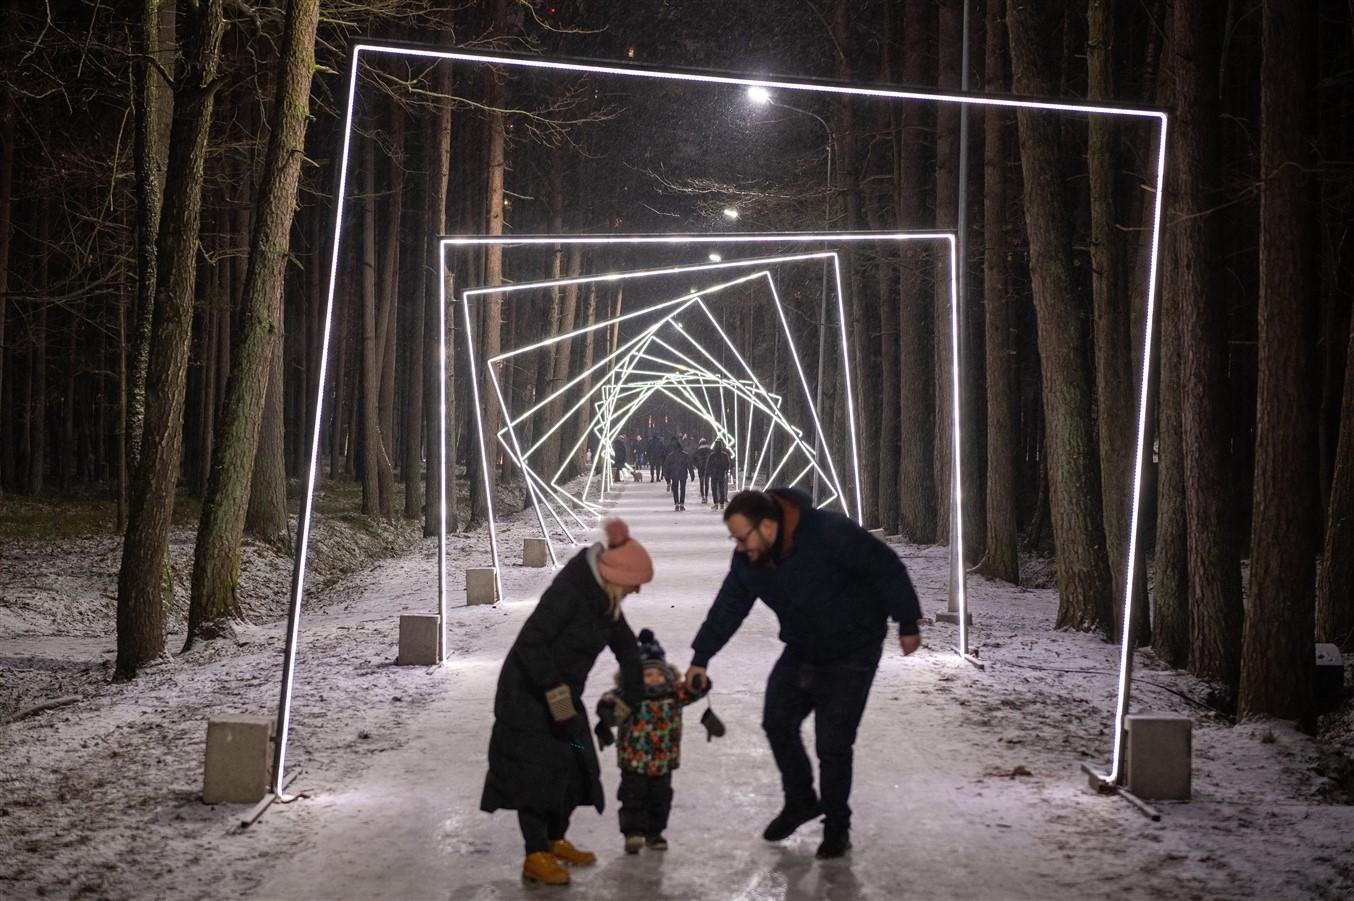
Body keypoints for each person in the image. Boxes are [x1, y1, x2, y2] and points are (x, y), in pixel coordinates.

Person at [685, 488, 923, 860]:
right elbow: (730, 605)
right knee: (776, 720)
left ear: (767, 525)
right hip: (802, 647)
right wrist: (701, 657)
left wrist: (907, 620)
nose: (739, 546)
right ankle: (800, 801)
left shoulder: (827, 531)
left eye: (742, 537)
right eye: (734, 538)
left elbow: (885, 565)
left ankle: (837, 828)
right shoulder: (750, 559)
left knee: (833, 743)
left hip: (853, 648)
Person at [481, 519, 654, 886]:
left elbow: (627, 649)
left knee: (576, 763)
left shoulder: (604, 602)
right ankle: (535, 854)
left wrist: (631, 696)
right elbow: (532, 644)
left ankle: (555, 838)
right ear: (616, 574)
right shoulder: (571, 593)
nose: (638, 590)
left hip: (562, 698)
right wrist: (558, 700)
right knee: (536, 773)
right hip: (527, 695)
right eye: (636, 582)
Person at [595, 628, 710, 854]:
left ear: (667, 675)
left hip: (664, 760)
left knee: (661, 798)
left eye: (659, 673)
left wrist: (700, 682)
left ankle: (655, 833)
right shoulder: (629, 695)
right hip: (633, 759)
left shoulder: (674, 695)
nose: (654, 679)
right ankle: (633, 833)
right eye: (648, 675)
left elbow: (695, 691)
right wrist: (608, 710)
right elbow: (608, 702)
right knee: (632, 797)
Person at [663, 437, 695, 511]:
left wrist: (667, 476)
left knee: (675, 488)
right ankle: (682, 504)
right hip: (683, 473)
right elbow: (689, 465)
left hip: (674, 474)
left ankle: (676, 503)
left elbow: (666, 466)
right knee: (682, 488)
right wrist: (692, 474)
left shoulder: (670, 456)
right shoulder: (685, 455)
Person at [706, 440, 732, 510]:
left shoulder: (712, 455)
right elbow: (728, 464)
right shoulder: (724, 455)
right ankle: (722, 504)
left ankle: (716, 504)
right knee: (721, 489)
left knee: (714, 489)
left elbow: (709, 465)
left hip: (714, 474)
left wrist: (707, 474)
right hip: (721, 474)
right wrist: (726, 470)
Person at [692, 437, 712, 504]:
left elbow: (694, 459)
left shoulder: (698, 451)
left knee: (701, 483)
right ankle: (706, 497)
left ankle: (703, 497)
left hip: (701, 469)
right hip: (707, 468)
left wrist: (697, 465)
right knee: (706, 483)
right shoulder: (709, 450)